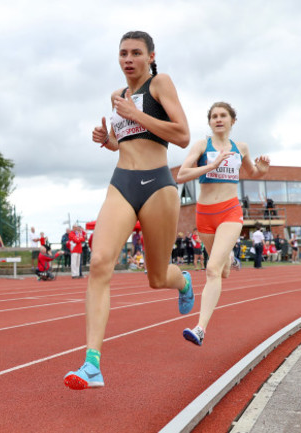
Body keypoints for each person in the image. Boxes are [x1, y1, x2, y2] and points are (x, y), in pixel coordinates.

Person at [64, 31, 194, 390]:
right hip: (121, 182)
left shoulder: (159, 84)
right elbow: (127, 142)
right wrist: (108, 141)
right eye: (123, 53)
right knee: (100, 262)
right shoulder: (116, 96)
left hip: (158, 185)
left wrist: (136, 113)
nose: (129, 59)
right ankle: (92, 364)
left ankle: (182, 280)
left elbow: (182, 135)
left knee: (156, 278)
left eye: (136, 53)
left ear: (151, 56)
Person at [177, 101, 269, 346]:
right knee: (224, 270)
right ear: (210, 122)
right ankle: (230, 258)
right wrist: (211, 165)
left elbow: (252, 172)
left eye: (223, 115)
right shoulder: (201, 145)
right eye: (214, 116)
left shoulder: (241, 147)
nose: (218, 119)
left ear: (232, 121)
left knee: (211, 270)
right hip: (204, 214)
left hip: (230, 210)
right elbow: (181, 175)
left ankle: (200, 329)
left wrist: (261, 169)